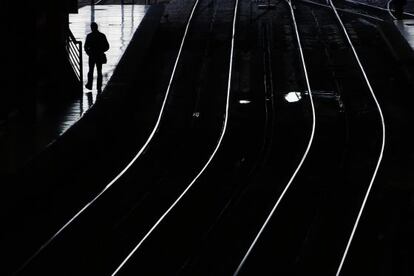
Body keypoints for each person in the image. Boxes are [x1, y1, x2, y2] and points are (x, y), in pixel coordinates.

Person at [84, 22, 109, 93]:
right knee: (99, 71)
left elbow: (86, 47)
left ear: (92, 28)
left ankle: (89, 85)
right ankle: (99, 86)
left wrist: (89, 53)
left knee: (90, 71)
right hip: (99, 55)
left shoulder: (89, 36)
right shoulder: (102, 35)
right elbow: (107, 46)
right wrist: (101, 50)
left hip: (92, 56)